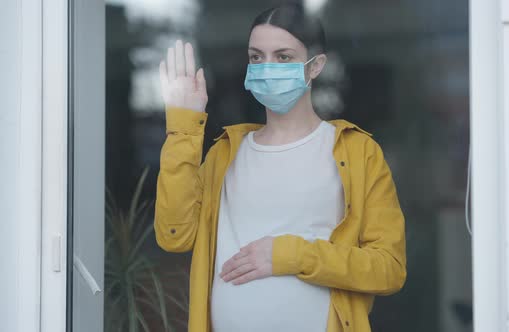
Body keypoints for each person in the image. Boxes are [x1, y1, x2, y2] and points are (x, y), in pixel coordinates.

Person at [154, 3, 406, 332]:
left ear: (315, 66)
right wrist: (183, 126)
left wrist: (290, 255)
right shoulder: (225, 154)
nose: (266, 67)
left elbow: (389, 268)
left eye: (283, 57)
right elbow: (174, 237)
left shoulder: (357, 153)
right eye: (256, 57)